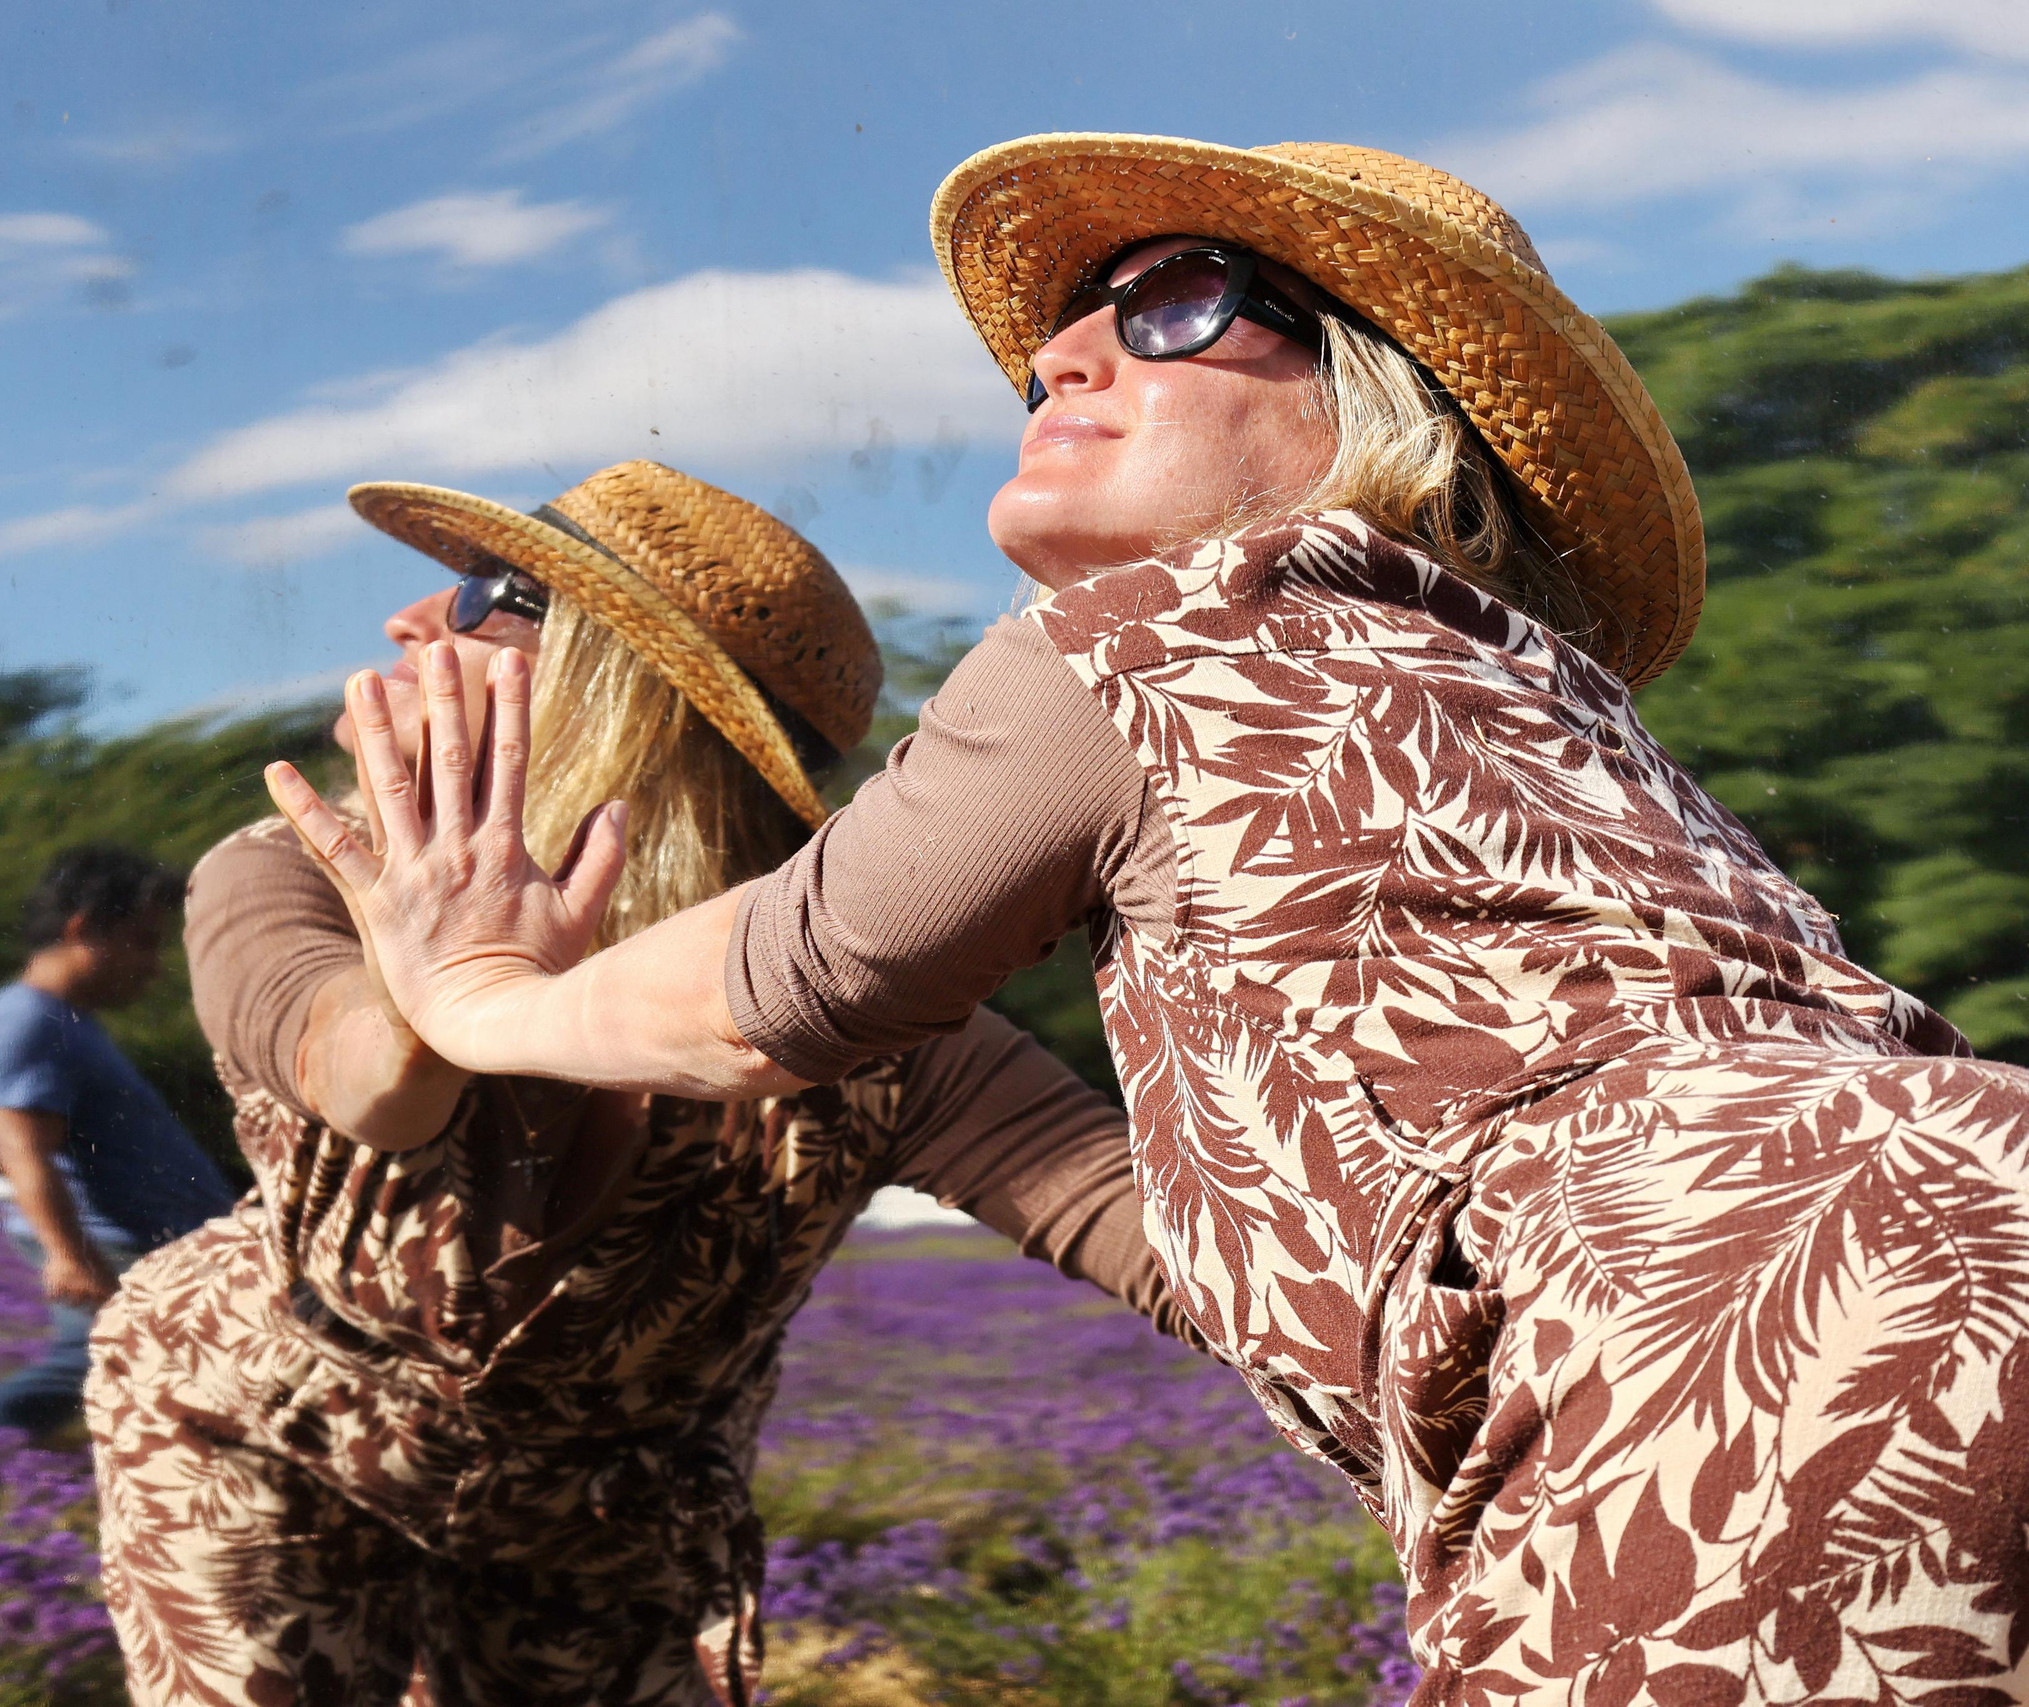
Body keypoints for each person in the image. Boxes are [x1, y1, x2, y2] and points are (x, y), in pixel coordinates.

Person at [271, 139, 2029, 1703]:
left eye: (1180, 302)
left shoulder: (1161, 634)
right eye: (1061, 332)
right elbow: (1161, 1219)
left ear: (1386, 407)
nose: (1063, 354)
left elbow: (788, 978)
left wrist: (479, 987)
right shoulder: (1556, 712)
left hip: (1763, 1317)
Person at [88, 460, 1184, 1707]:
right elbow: (364, 1087)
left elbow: (1181, 1247)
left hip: (606, 1521)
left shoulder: (871, 1023)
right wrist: (450, 981)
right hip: (260, 1429)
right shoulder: (284, 871)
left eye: (487, 595)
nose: (408, 616)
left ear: (626, 699)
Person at [0, 844, 235, 1439]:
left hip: (135, 1244)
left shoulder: (67, 1023)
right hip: (109, 1244)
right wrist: (68, 1254)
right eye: (142, 942)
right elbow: (21, 1148)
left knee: (129, 1371)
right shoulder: (24, 1021)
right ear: (82, 929)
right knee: (90, 1366)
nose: (154, 966)